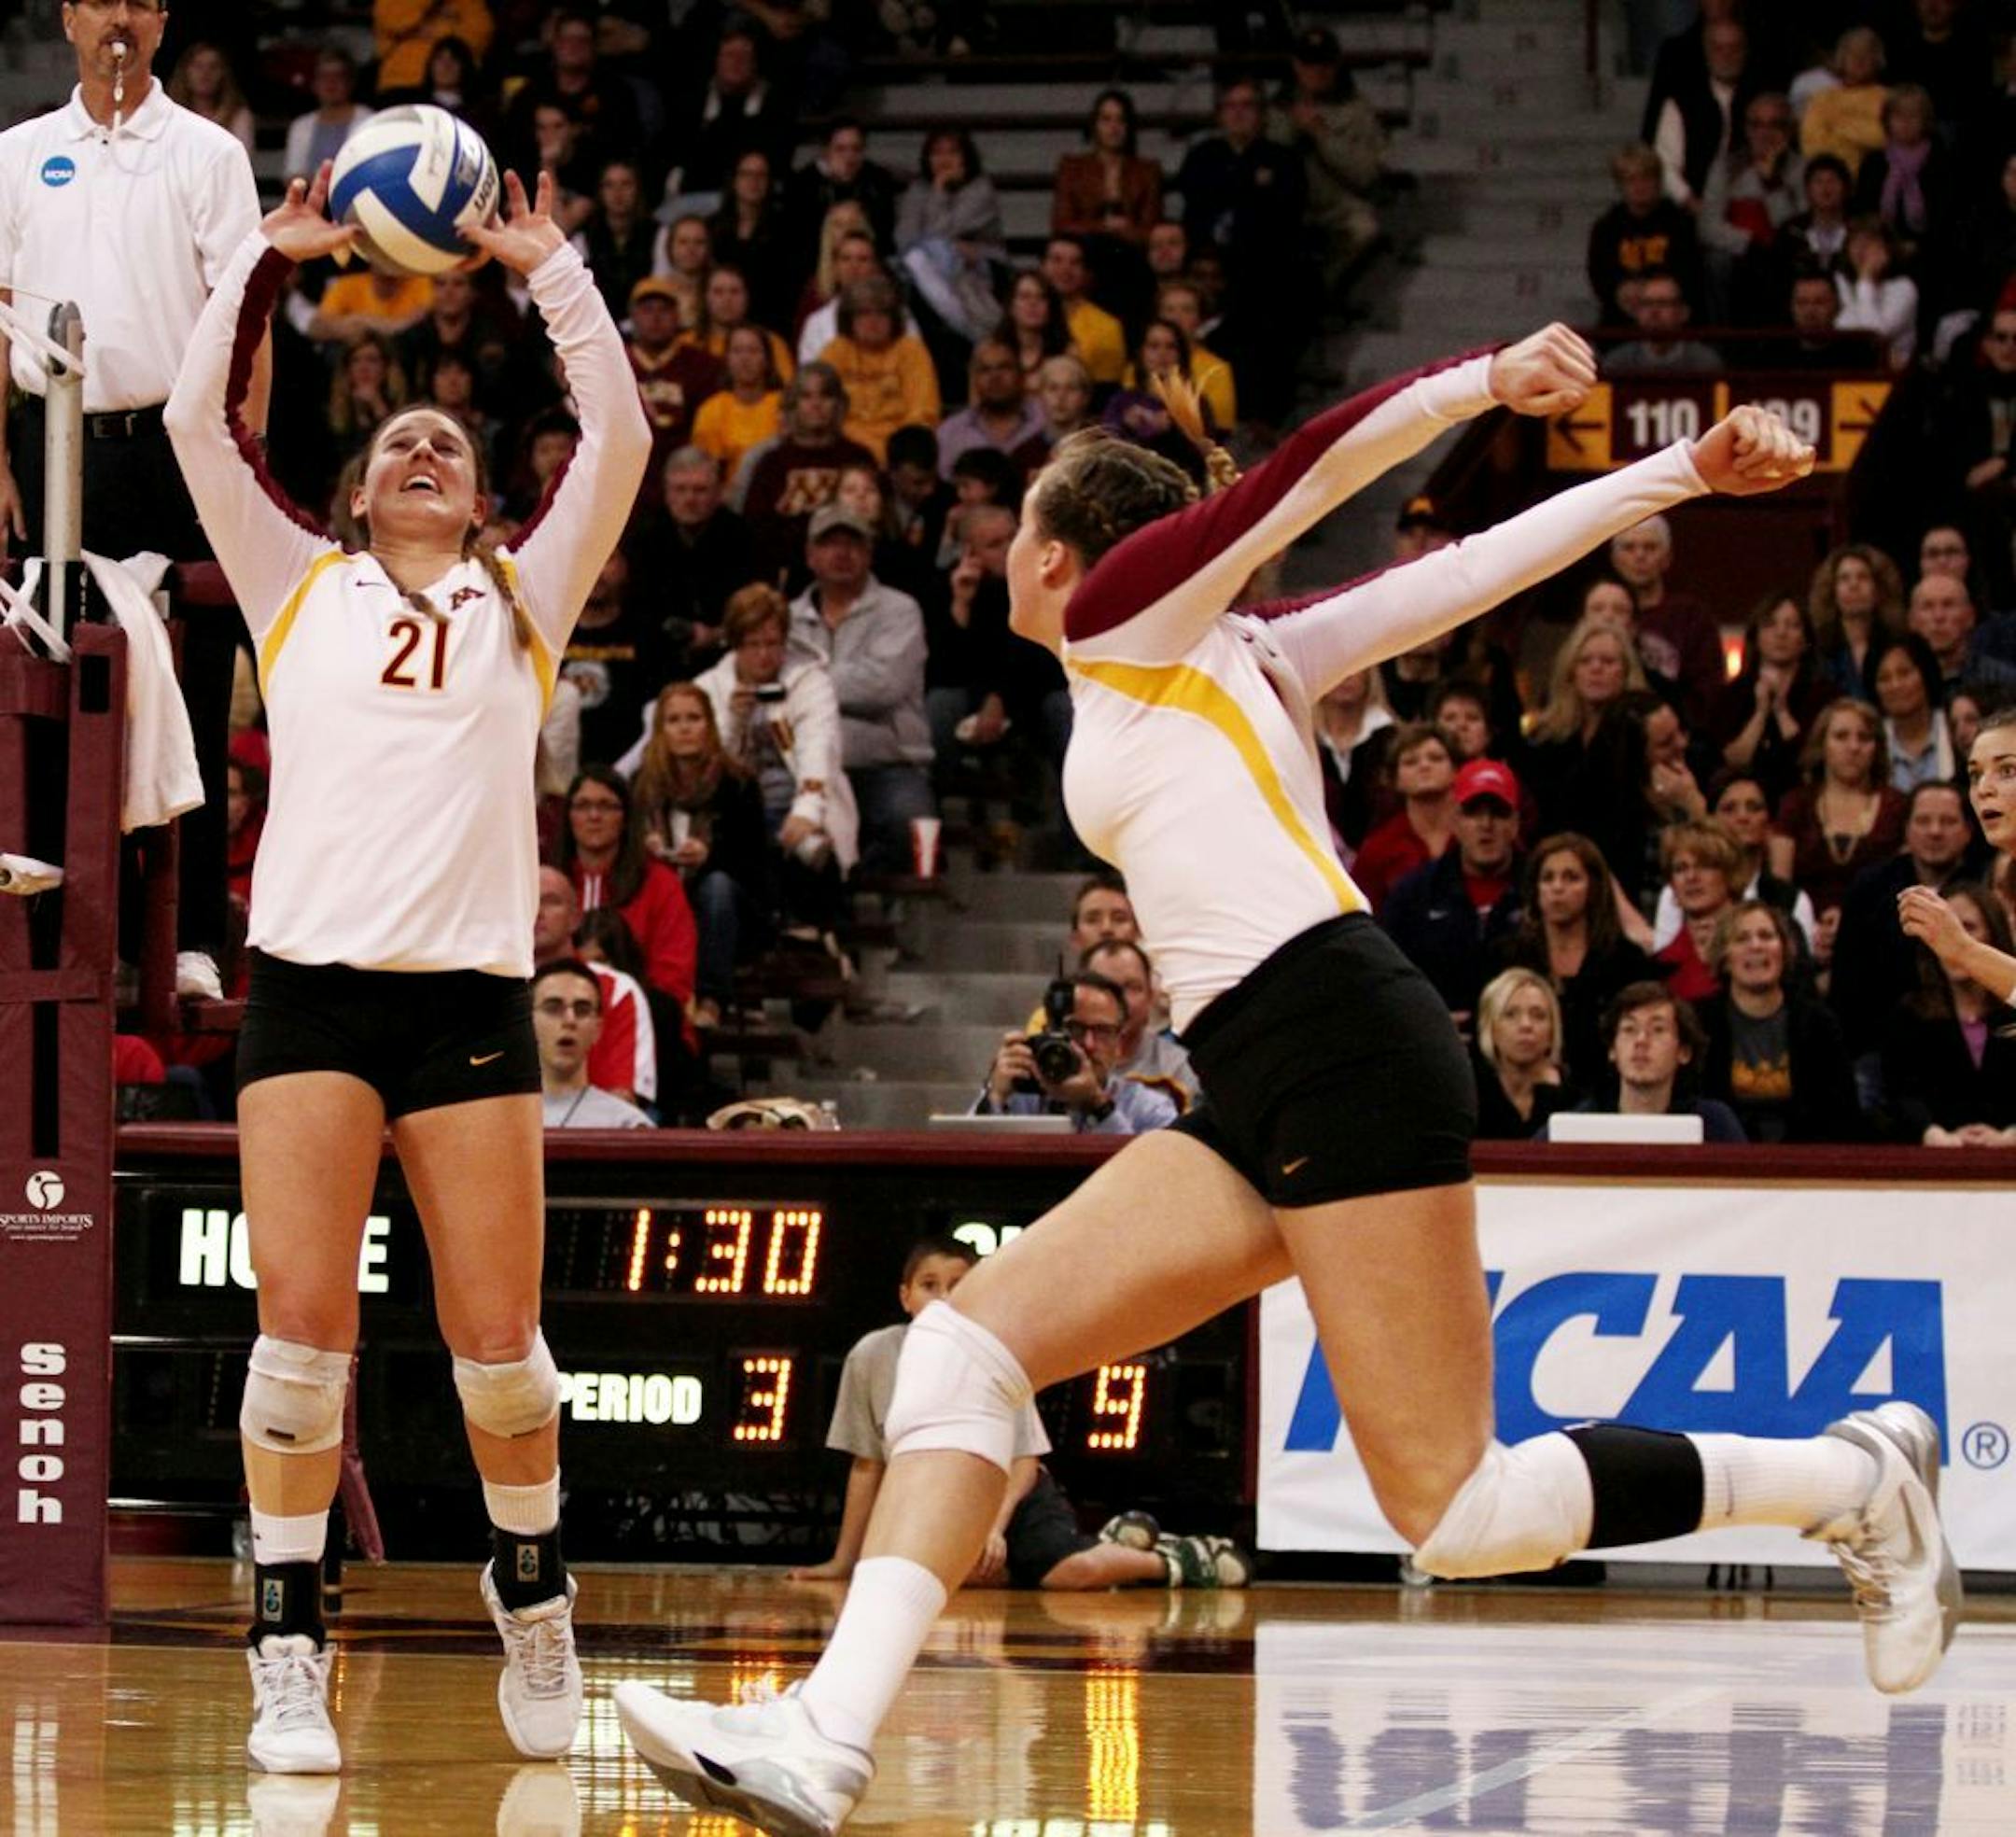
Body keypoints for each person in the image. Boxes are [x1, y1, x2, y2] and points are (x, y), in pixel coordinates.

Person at [621, 349, 1954, 1835]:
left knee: (1457, 1515)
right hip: (1259, 1064)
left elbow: (1313, 466)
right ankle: (826, 1736)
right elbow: (1474, 576)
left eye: (1011, 544)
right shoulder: (1244, 650)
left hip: (1336, 1033)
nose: (992, 562)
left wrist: (1486, 386)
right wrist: (1678, 476)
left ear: (1064, 555)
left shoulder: (1129, 616)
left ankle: (1848, 1474)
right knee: (965, 1353)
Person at [163, 165, 650, 1771]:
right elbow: (191, 424)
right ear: (360, 500)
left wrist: (549, 265)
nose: (426, 446)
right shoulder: (298, 586)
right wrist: (267, 252)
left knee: (501, 1346)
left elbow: (626, 442)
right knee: (302, 1343)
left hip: (465, 1002)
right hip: (309, 994)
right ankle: (288, 1634)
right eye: (395, 446)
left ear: (479, 497)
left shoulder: (526, 597)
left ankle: (536, 1590)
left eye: (449, 441)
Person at [0, 0, 266, 998]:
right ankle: (59, 932)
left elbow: (248, 317)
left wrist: (239, 456)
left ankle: (192, 937)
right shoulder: (18, 153)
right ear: (68, 17)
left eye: (139, 1)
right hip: (53, 438)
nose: (119, 18)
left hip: (177, 442)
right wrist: (1, 462)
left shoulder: (206, 153)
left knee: (194, 688)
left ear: (161, 20)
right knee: (54, 691)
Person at [790, 1238, 1232, 1592]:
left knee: (1070, 1576)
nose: (943, 1297)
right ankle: (1105, 1545)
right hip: (930, 1500)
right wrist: (844, 1561)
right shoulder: (872, 1354)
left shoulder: (993, 1351)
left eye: (958, 1285)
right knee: (913, 1583)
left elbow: (1023, 1461)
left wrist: (991, 1529)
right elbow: (867, 1466)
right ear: (905, 1297)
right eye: (929, 1285)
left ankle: (1176, 1559)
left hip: (1010, 1498)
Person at [694, 583, 855, 932]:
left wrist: (807, 810)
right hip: (734, 812)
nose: (765, 655)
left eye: (773, 644)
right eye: (753, 645)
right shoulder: (709, 687)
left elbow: (819, 746)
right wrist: (733, 721)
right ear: (735, 644)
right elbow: (704, 768)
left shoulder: (811, 682)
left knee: (803, 846)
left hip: (797, 805)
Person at [787, 503, 934, 871]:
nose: (841, 553)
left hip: (887, 763)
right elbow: (776, 684)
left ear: (869, 554)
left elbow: (882, 686)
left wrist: (809, 686)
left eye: (852, 544)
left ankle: (856, 885)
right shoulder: (787, 618)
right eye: (829, 543)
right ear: (810, 555)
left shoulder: (900, 611)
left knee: (908, 823)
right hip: (806, 766)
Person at [630, 682, 773, 1030]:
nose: (684, 728)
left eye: (694, 718)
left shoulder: (738, 784)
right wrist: (643, 848)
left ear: (709, 724)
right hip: (665, 893)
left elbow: (758, 866)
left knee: (717, 887)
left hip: (725, 905)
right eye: (674, 720)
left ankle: (712, 999)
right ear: (660, 730)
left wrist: (710, 856)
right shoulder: (642, 784)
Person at [1491, 830, 1657, 1091]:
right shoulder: (1508, 958)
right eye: (1548, 878)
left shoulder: (1626, 962)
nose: (1557, 888)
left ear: (1593, 888)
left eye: (1571, 878)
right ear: (1535, 889)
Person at [1831, 781, 1977, 1057]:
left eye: (1948, 821)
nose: (1935, 831)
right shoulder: (1870, 888)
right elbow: (1847, 983)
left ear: (1968, 831)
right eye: (1923, 821)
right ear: (1906, 830)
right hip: (1878, 1047)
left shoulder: (1983, 886)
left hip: (1968, 1048)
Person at [1698, 901, 1859, 1142]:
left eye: (1766, 936)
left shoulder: (1818, 1023)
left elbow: (1842, 1113)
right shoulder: (1701, 1023)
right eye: (1742, 938)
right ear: (1725, 957)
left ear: (1784, 950)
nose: (1756, 946)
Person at [1380, 758, 1525, 1023]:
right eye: (1473, 812)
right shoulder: (1414, 895)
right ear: (1455, 820)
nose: (1486, 824)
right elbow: (1387, 980)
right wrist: (1429, 1026)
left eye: (1498, 812)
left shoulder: (1539, 888)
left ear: (1515, 823)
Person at [557, 764, 698, 1019]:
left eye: (607, 806)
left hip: (643, 1013)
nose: (594, 816)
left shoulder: (660, 884)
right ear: (568, 816)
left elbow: (673, 978)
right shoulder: (548, 884)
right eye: (582, 805)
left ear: (626, 818)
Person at [1883, 881, 2016, 1145]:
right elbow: (1898, 1096)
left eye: (1967, 928)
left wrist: (2011, 1136)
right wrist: (1934, 1134)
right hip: (1933, 1165)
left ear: (1993, 936)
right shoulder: (1910, 1014)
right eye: (1945, 928)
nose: (1951, 940)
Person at [972, 969, 1178, 1134]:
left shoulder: (1150, 1108)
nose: (1088, 1044)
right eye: (1075, 1029)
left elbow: (1148, 1178)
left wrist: (1098, 1105)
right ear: (1047, 1033)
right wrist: (995, 1096)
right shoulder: (1020, 1095)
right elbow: (966, 1157)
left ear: (1119, 1043)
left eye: (1102, 1031)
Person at [1541, 981, 1747, 1142]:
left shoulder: (1713, 1124)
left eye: (1657, 1030)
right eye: (1629, 1030)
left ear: (1683, 1052)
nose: (1641, 1041)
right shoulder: (1579, 1123)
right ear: (1613, 1049)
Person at [1770, 698, 1910, 916]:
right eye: (1841, 736)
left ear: (1877, 747)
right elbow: (1780, 890)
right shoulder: (1796, 804)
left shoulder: (1898, 806)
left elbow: (1907, 886)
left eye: (1864, 738)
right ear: (1822, 744)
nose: (1853, 747)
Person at [533, 865, 654, 1109]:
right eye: (527, 902)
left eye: (551, 902)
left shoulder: (618, 990)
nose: (536, 913)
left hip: (590, 1139)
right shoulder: (484, 989)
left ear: (576, 918)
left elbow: (622, 1100)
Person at [1704, 593, 1831, 805]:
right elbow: (1732, 762)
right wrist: (1761, 714)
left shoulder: (1824, 696)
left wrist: (1781, 711)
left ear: (1805, 640)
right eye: (1771, 625)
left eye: (1793, 625)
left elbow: (1812, 762)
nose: (1781, 633)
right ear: (1756, 635)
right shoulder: (1730, 696)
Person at [1587, 143, 1703, 324]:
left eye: (1646, 178)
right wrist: (1623, 290)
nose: (1639, 186)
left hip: (1672, 312)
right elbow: (1601, 277)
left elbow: (1690, 273)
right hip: (1623, 315)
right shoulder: (1607, 228)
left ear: (1658, 181)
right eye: (1631, 180)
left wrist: (1653, 293)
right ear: (1620, 185)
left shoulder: (1680, 223)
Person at [1348, 722, 1457, 911]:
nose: (1424, 766)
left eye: (1436, 758)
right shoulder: (1378, 848)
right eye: (1410, 762)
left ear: (1456, 769)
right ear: (1395, 779)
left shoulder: (1477, 833)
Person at [1081, 935, 1197, 1113]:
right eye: (1103, 987)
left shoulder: (1179, 1068)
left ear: (1151, 996)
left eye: (1132, 987)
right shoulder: (1055, 1061)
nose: (1120, 1001)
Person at [532, 960, 653, 1129]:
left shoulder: (627, 1125)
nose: (570, 1020)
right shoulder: (494, 1117)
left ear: (598, 1029)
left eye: (582, 1010)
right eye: (553, 1008)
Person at [1052, 89, 1164, 249]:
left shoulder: (1147, 171)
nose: (1114, 127)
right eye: (1106, 119)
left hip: (1133, 253)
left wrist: (1125, 231)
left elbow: (1151, 229)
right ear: (1095, 125)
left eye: (1121, 120)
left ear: (1129, 126)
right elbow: (1062, 225)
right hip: (1083, 254)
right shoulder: (1072, 168)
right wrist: (1104, 227)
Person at [1470, 966, 1573, 1139]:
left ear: (1553, 1030)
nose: (1526, 1025)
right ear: (1491, 1028)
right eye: (1510, 1015)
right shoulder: (1471, 1097)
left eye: (1538, 1015)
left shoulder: (1573, 1101)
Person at [1653, 816, 1742, 1001]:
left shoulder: (1766, 939)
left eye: (1704, 866)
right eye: (1680, 869)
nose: (1691, 877)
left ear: (1729, 873)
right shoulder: (1660, 966)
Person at [1809, 542, 1906, 697]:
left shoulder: (1898, 644)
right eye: (1844, 579)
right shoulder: (1817, 650)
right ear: (1832, 592)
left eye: (1863, 577)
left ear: (1878, 590)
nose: (1854, 585)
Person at [692, 323, 783, 483]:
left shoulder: (784, 406)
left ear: (767, 360)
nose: (745, 359)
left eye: (753, 351)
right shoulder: (711, 410)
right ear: (726, 359)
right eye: (737, 351)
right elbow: (707, 471)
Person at [1868, 632, 1955, 792]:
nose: (1895, 685)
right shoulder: (1871, 744)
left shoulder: (1954, 729)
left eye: (1904, 673)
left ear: (1925, 674)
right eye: (1884, 678)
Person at [1603, 271, 1723, 375]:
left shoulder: (1704, 363)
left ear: (1683, 313)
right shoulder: (1618, 363)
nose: (1654, 312)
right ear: (1637, 312)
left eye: (1663, 303)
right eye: (1647, 303)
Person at [283, 47, 373, 182]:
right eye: (324, 77)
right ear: (314, 84)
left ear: (350, 83)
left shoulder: (369, 120)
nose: (331, 83)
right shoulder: (300, 125)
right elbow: (292, 175)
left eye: (338, 76)